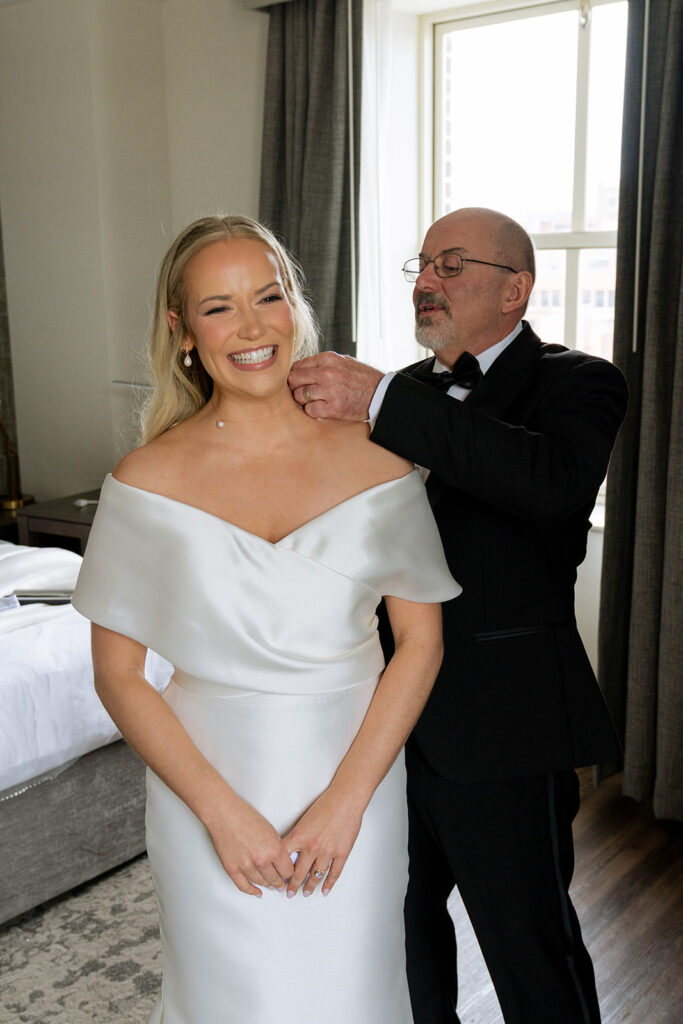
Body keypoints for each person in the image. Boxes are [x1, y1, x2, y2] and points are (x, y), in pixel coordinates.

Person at [71, 215, 460, 1024]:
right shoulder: (145, 480)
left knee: (353, 991)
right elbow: (117, 673)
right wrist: (222, 815)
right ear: (181, 331)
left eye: (267, 296)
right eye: (218, 308)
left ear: (294, 307)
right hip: (205, 789)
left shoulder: (377, 458)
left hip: (354, 782)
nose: (250, 328)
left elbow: (418, 643)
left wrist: (346, 801)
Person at [288, 207, 629, 1024]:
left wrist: (378, 401)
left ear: (515, 289)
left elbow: (545, 483)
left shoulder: (579, 382)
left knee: (529, 949)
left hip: (504, 728)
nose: (424, 282)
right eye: (421, 265)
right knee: (398, 937)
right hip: (379, 723)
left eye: (450, 265)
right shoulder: (404, 393)